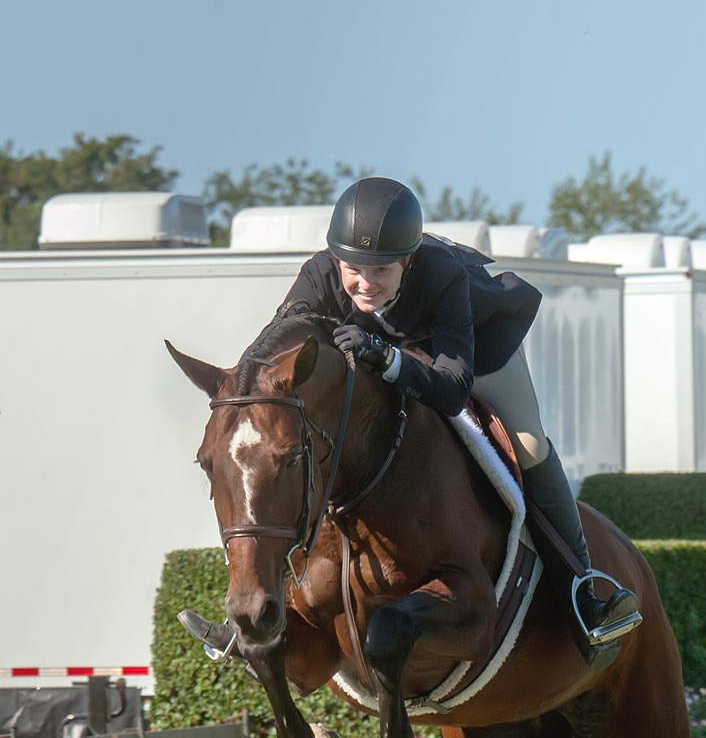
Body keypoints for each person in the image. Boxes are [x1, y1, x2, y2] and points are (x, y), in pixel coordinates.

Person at [180, 176, 640, 668]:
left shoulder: (440, 274)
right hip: (388, 356)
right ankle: (256, 605)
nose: (363, 283)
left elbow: (451, 388)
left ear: (406, 260)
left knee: (528, 446)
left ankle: (584, 591)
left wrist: (389, 360)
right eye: (354, 269)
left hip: (472, 355)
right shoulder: (318, 275)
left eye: (380, 270)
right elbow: (272, 346)